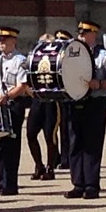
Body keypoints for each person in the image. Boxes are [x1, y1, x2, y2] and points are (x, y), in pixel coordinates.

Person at [65, 20, 106, 199]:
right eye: (79, 33)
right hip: (75, 102)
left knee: (92, 145)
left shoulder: (103, 55)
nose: (80, 36)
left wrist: (100, 83)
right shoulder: (71, 53)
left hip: (95, 102)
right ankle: (77, 183)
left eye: (84, 33)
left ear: (93, 34)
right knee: (75, 143)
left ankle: (91, 184)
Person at [0, 26, 30, 196]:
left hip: (12, 105)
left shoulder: (20, 60)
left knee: (11, 146)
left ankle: (10, 183)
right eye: (0, 40)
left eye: (5, 40)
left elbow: (22, 85)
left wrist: (6, 96)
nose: (1, 43)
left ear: (14, 41)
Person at [25, 32, 60, 180]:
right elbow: (25, 78)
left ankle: (50, 167)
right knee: (30, 133)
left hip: (52, 100)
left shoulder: (57, 58)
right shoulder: (33, 59)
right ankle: (38, 165)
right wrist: (30, 91)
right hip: (38, 100)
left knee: (49, 136)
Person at [54, 28, 74, 170]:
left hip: (69, 96)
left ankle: (67, 157)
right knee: (57, 128)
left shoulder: (71, 58)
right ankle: (59, 157)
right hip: (58, 96)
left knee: (68, 129)